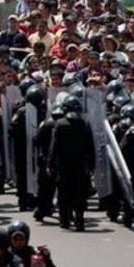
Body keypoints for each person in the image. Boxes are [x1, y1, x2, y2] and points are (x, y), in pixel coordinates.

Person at [48, 94, 95, 230]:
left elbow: (54, 147)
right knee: (79, 194)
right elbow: (90, 147)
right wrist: (92, 165)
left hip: (64, 165)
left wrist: (50, 164)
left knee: (64, 193)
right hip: (80, 166)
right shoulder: (84, 124)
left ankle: (65, 221)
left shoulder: (60, 124)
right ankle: (79, 221)